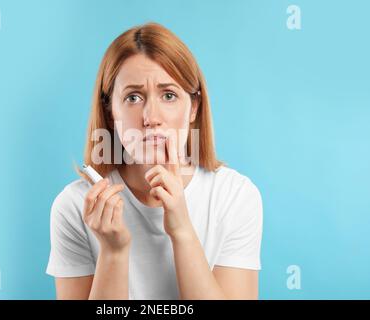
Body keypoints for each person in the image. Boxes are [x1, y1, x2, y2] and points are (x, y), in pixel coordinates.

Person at [46, 22, 263, 300]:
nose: (151, 117)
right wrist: (113, 252)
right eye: (133, 97)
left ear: (194, 106)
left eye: (169, 95)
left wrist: (182, 229)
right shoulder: (75, 207)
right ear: (110, 111)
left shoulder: (234, 197)